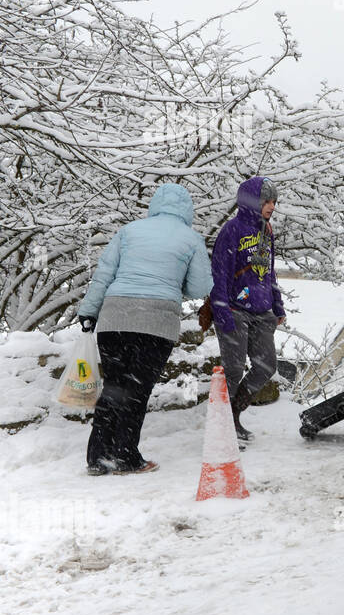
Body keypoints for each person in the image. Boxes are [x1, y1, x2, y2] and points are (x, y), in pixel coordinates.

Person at [77, 183, 213, 475]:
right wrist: (174, 286)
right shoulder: (191, 239)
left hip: (115, 318)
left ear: (155, 205)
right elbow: (201, 286)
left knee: (114, 385)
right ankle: (126, 457)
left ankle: (98, 458)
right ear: (187, 210)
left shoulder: (129, 231)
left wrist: (89, 311)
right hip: (156, 322)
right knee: (137, 389)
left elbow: (103, 276)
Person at [211, 176, 286, 444]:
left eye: (274, 201)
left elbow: (269, 272)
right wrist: (221, 311)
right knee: (233, 369)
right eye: (267, 200)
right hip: (235, 308)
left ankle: (233, 413)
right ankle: (226, 426)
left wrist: (277, 304)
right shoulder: (232, 230)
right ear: (252, 200)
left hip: (262, 310)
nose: (271, 206)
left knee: (266, 366)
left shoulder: (266, 231)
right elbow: (220, 273)